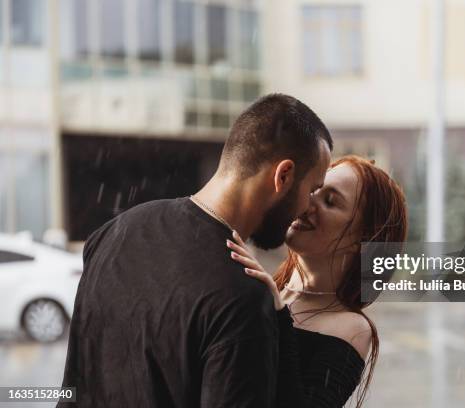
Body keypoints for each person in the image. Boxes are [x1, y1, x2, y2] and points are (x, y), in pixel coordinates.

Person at [57, 93, 332, 407]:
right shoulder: (241, 296)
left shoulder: (114, 232)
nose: (309, 207)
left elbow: (75, 384)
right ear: (283, 176)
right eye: (312, 190)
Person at [226, 155, 408, 407]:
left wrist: (277, 312)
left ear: (362, 241)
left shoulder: (352, 328)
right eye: (313, 190)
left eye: (330, 201)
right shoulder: (258, 286)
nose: (306, 203)